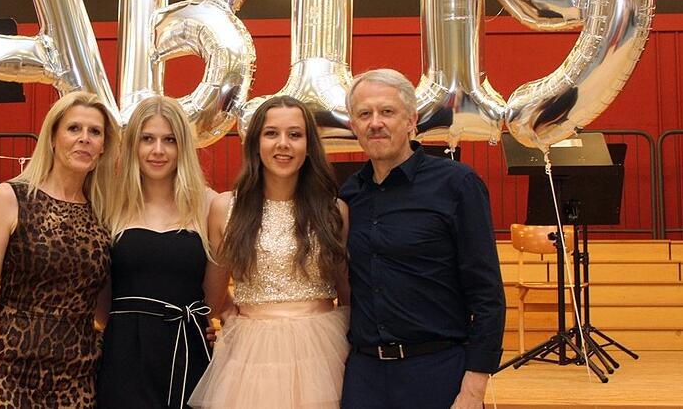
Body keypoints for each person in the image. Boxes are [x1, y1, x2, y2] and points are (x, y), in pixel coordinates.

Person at [338, 69, 506, 409]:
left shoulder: (457, 184)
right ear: (354, 126)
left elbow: (487, 293)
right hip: (364, 376)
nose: (375, 123)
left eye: (387, 112)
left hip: (436, 371)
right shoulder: (349, 194)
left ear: (411, 120)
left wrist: (475, 385)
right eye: (365, 114)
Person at [189, 95, 351, 409]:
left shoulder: (333, 211)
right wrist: (228, 316)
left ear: (309, 145)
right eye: (271, 133)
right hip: (252, 354)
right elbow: (212, 297)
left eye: (295, 134)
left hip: (322, 353)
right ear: (255, 143)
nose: (283, 144)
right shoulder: (226, 209)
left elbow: (348, 294)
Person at [0, 91, 120, 408]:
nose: (85, 138)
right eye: (74, 128)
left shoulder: (105, 215)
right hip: (9, 372)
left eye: (95, 132)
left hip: (77, 377)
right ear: (52, 138)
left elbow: (106, 309)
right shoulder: (10, 198)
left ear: (103, 147)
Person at [96, 96, 217, 409]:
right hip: (125, 352)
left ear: (183, 147)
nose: (158, 150)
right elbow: (101, 300)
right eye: (147, 139)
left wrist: (219, 326)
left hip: (189, 349)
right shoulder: (109, 205)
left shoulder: (208, 205)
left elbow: (216, 296)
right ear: (133, 145)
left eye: (169, 140)